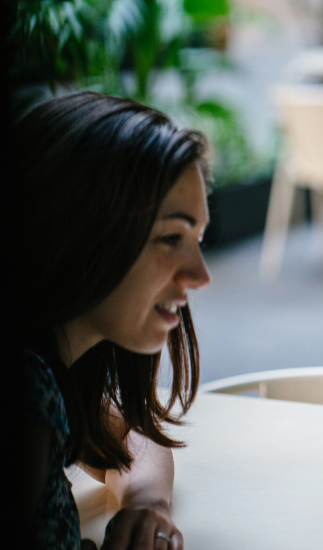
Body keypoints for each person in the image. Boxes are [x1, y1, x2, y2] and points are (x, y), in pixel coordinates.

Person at [11, 92, 211, 550]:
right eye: (170, 238)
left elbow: (129, 439)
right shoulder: (27, 392)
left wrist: (147, 507)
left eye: (197, 239)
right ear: (82, 232)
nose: (201, 275)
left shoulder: (53, 377)